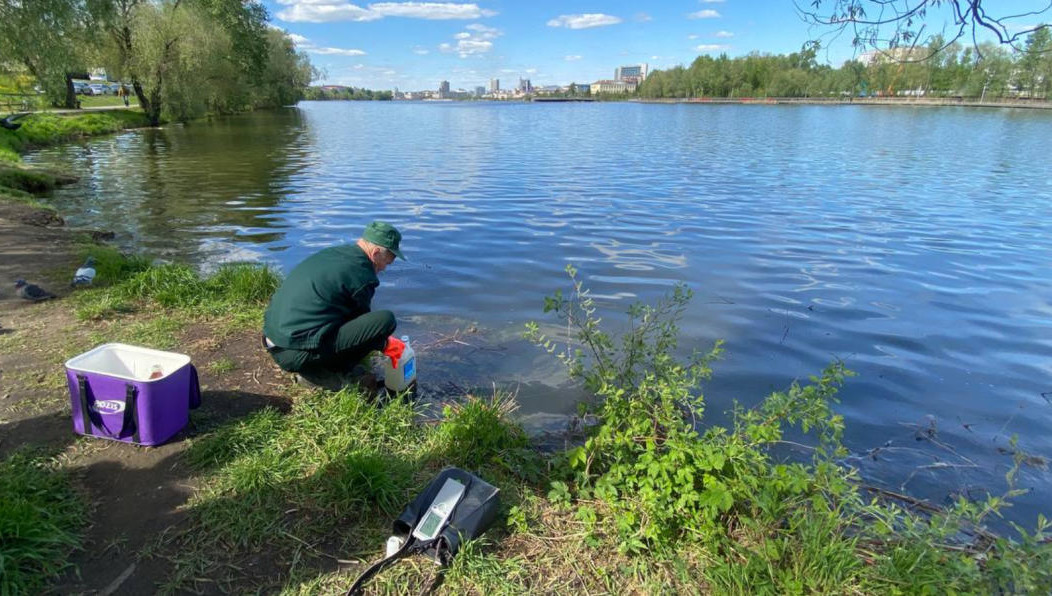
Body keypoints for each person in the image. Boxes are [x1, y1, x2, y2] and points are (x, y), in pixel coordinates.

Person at [262, 221, 406, 389]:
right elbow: (365, 332)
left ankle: (317, 366)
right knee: (385, 320)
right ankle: (322, 375)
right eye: (386, 263)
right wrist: (384, 344)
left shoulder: (335, 253)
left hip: (272, 337)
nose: (384, 269)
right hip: (293, 354)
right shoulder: (363, 274)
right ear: (374, 253)